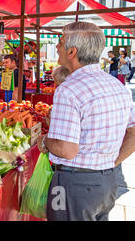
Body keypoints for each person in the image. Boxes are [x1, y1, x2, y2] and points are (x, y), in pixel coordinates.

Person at [37, 22, 135, 221]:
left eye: (60, 41)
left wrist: (46, 141)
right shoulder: (116, 85)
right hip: (107, 181)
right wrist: (110, 164)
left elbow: (66, 149)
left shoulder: (69, 89)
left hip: (73, 184)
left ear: (72, 51)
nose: (57, 46)